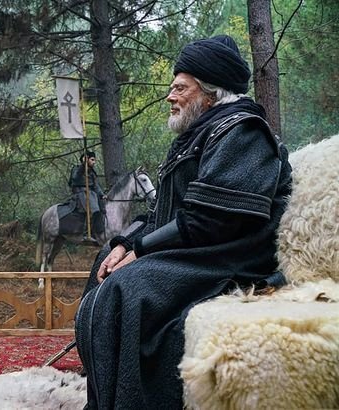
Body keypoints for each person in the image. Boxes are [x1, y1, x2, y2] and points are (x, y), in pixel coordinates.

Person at [74, 35, 292, 409]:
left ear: (209, 92)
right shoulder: (200, 133)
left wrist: (143, 250)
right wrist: (126, 243)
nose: (169, 96)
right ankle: (105, 400)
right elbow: (164, 212)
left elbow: (212, 219)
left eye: (179, 88)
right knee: (104, 263)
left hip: (231, 258)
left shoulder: (243, 130)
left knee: (128, 286)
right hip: (198, 249)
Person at [68, 151, 107, 241]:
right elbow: (75, 178)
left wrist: (101, 195)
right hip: (81, 193)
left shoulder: (92, 172)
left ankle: (97, 231)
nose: (94, 162)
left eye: (94, 160)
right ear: (86, 160)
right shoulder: (77, 169)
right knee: (94, 209)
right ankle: (86, 233)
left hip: (91, 194)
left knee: (102, 208)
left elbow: (96, 186)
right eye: (92, 160)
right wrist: (83, 165)